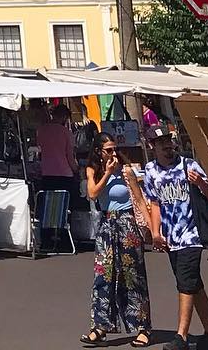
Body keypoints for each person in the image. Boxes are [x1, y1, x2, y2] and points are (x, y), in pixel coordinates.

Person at [143, 125, 208, 349]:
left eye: (169, 140)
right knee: (194, 284)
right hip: (171, 239)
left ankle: (181, 336)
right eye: (161, 143)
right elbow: (154, 203)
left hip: (192, 235)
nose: (167, 146)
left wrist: (200, 183)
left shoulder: (189, 165)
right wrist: (156, 232)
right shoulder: (151, 170)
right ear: (152, 146)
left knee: (185, 283)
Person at [81, 136, 152, 347]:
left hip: (127, 222)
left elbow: (138, 199)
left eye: (114, 149)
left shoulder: (126, 171)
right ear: (98, 151)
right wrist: (108, 174)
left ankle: (142, 327)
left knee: (133, 275)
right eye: (108, 150)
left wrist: (151, 229)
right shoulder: (93, 170)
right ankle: (100, 326)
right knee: (104, 275)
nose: (113, 154)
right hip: (106, 224)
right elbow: (92, 194)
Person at [37, 103, 81, 195]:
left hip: (47, 172)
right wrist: (76, 169)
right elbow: (69, 156)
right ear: (64, 117)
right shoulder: (66, 132)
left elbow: (40, 148)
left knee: (50, 203)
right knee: (65, 204)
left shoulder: (41, 130)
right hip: (64, 173)